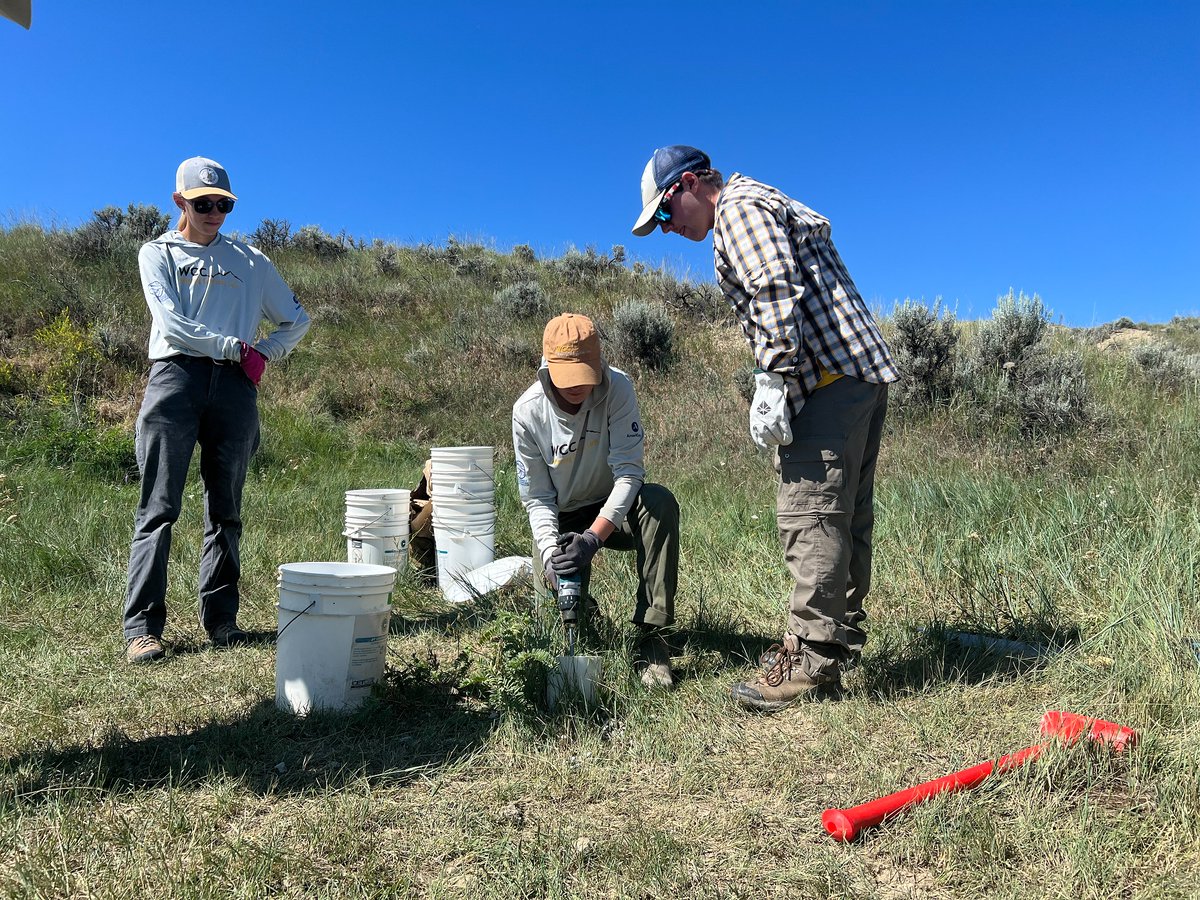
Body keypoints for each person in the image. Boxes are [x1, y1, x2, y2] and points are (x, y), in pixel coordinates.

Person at [631, 145, 898, 711]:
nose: (666, 229)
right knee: (846, 514)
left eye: (663, 214)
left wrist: (773, 375)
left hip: (825, 382)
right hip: (855, 375)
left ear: (687, 186)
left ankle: (810, 659)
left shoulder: (736, 210)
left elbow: (774, 285)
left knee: (810, 512)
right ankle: (834, 639)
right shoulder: (761, 199)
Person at [123, 157, 311, 664]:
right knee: (159, 507)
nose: (213, 213)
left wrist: (265, 352)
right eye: (203, 203)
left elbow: (296, 318)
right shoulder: (157, 253)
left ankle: (221, 618)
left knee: (226, 507)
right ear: (180, 201)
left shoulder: (250, 260)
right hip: (175, 378)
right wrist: (235, 347)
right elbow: (171, 321)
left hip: (233, 388)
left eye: (223, 205)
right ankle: (142, 627)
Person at [513, 313, 680, 689]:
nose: (578, 388)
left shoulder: (618, 388)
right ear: (547, 366)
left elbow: (629, 474)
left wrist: (593, 538)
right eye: (567, 378)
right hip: (563, 514)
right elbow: (538, 498)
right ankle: (585, 615)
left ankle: (651, 638)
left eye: (585, 376)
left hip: (614, 507)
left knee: (659, 503)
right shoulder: (527, 413)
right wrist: (550, 553)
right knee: (555, 618)